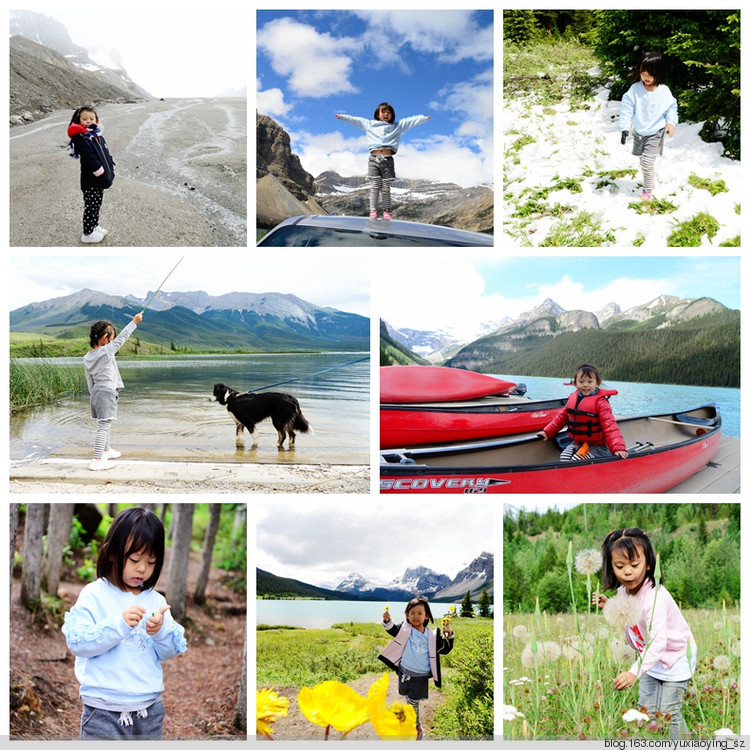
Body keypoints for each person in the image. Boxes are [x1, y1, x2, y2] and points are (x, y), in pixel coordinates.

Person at [61, 507, 187, 739]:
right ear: (111, 553)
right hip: (103, 710)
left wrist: (159, 632)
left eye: (151, 562)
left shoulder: (155, 600)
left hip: (148, 709)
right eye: (135, 559)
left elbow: (169, 651)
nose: (143, 569)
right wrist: (118, 625)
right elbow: (78, 643)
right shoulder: (94, 594)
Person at [594, 528, 696, 740]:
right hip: (650, 659)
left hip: (676, 657)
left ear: (649, 564)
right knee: (646, 709)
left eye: (634, 565)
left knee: (669, 712)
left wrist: (632, 673)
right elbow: (628, 611)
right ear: (612, 568)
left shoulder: (654, 597)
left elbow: (658, 642)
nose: (628, 572)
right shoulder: (624, 590)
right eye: (620, 566)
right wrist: (608, 604)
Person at [335, 103, 430, 219]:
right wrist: (343, 117)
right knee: (375, 186)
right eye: (383, 112)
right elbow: (356, 120)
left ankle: (386, 212)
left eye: (388, 112)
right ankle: (373, 211)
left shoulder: (397, 126)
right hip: (373, 159)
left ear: (392, 115)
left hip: (387, 160)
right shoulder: (370, 125)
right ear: (377, 114)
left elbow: (410, 121)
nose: (386, 114)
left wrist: (423, 119)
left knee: (385, 188)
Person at [378, 598, 454, 740]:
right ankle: (411, 721)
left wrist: (448, 634)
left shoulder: (432, 635)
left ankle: (416, 727)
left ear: (426, 616)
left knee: (413, 702)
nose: (415, 616)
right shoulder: (404, 629)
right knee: (407, 697)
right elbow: (391, 629)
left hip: (420, 676)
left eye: (419, 613)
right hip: (404, 673)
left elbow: (446, 649)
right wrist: (387, 620)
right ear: (407, 615)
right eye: (412, 613)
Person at [84, 312, 143, 471]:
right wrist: (134, 322)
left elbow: (90, 380)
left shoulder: (87, 357)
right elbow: (122, 339)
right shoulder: (106, 351)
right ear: (104, 338)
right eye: (111, 338)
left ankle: (106, 450)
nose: (113, 341)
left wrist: (94, 396)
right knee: (104, 425)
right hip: (106, 391)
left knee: (105, 422)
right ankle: (96, 460)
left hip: (97, 392)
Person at [618, 52, 678, 202]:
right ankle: (649, 180)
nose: (645, 77)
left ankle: (647, 191)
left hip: (656, 132)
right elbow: (626, 107)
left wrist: (671, 123)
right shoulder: (635, 90)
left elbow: (671, 107)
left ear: (659, 73)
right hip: (639, 131)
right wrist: (624, 127)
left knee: (647, 162)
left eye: (650, 73)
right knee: (643, 161)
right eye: (642, 73)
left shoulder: (663, 91)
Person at [537, 363, 628, 461]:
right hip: (577, 443)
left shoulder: (601, 403)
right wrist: (547, 432)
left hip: (597, 447)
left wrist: (618, 448)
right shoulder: (573, 398)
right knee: (564, 457)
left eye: (590, 381)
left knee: (576, 460)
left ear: (597, 383)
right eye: (581, 381)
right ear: (575, 383)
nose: (585, 385)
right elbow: (561, 418)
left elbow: (610, 427)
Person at [67, 106, 116, 243]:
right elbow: (90, 159)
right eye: (84, 119)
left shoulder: (97, 136)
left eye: (91, 118)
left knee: (97, 204)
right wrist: (101, 173)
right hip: (91, 180)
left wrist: (111, 165)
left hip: (99, 179)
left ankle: (94, 225)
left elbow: (106, 153)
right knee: (91, 205)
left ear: (97, 120)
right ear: (78, 120)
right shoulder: (82, 139)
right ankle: (87, 233)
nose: (88, 121)